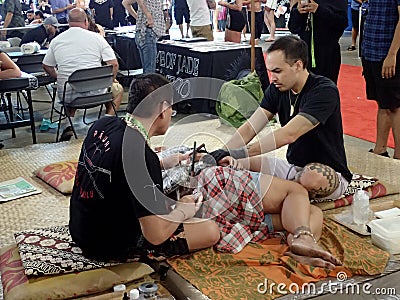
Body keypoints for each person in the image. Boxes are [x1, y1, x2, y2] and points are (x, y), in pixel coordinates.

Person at [69, 73, 221, 261]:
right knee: (210, 230)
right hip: (108, 246)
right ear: (163, 109)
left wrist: (163, 163)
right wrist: (183, 209)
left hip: (80, 230)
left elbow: (119, 167)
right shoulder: (142, 156)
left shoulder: (103, 124)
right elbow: (155, 235)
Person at [225, 36, 353, 201]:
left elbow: (289, 134)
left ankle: (286, 194)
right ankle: (288, 192)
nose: (273, 78)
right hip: (293, 169)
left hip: (329, 172)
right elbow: (250, 128)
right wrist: (222, 153)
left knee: (311, 177)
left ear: (298, 65)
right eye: (271, 72)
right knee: (229, 164)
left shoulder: (324, 90)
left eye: (278, 71)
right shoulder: (277, 89)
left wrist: (241, 152)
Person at [42, 8, 123, 141]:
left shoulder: (57, 40)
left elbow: (46, 66)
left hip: (69, 96)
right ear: (86, 21)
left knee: (70, 87)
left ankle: (68, 126)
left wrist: (60, 78)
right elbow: (114, 64)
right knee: (117, 90)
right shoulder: (97, 38)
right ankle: (106, 124)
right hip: (97, 93)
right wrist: (110, 81)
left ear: (68, 22)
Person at [361, 0, 400, 159]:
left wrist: (392, 54)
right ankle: (380, 148)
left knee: (395, 105)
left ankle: (398, 155)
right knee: (383, 102)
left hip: (388, 53)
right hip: (370, 51)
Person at [288, 0, 347, 84]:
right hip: (304, 54)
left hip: (328, 55)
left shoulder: (336, 3)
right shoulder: (303, 1)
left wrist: (319, 10)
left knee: (326, 89)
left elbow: (342, 23)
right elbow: (293, 28)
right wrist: (298, 13)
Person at [122, 0, 165, 74]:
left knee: (147, 70)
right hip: (148, 33)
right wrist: (148, 16)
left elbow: (125, 3)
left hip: (143, 33)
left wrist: (138, 18)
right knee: (149, 72)